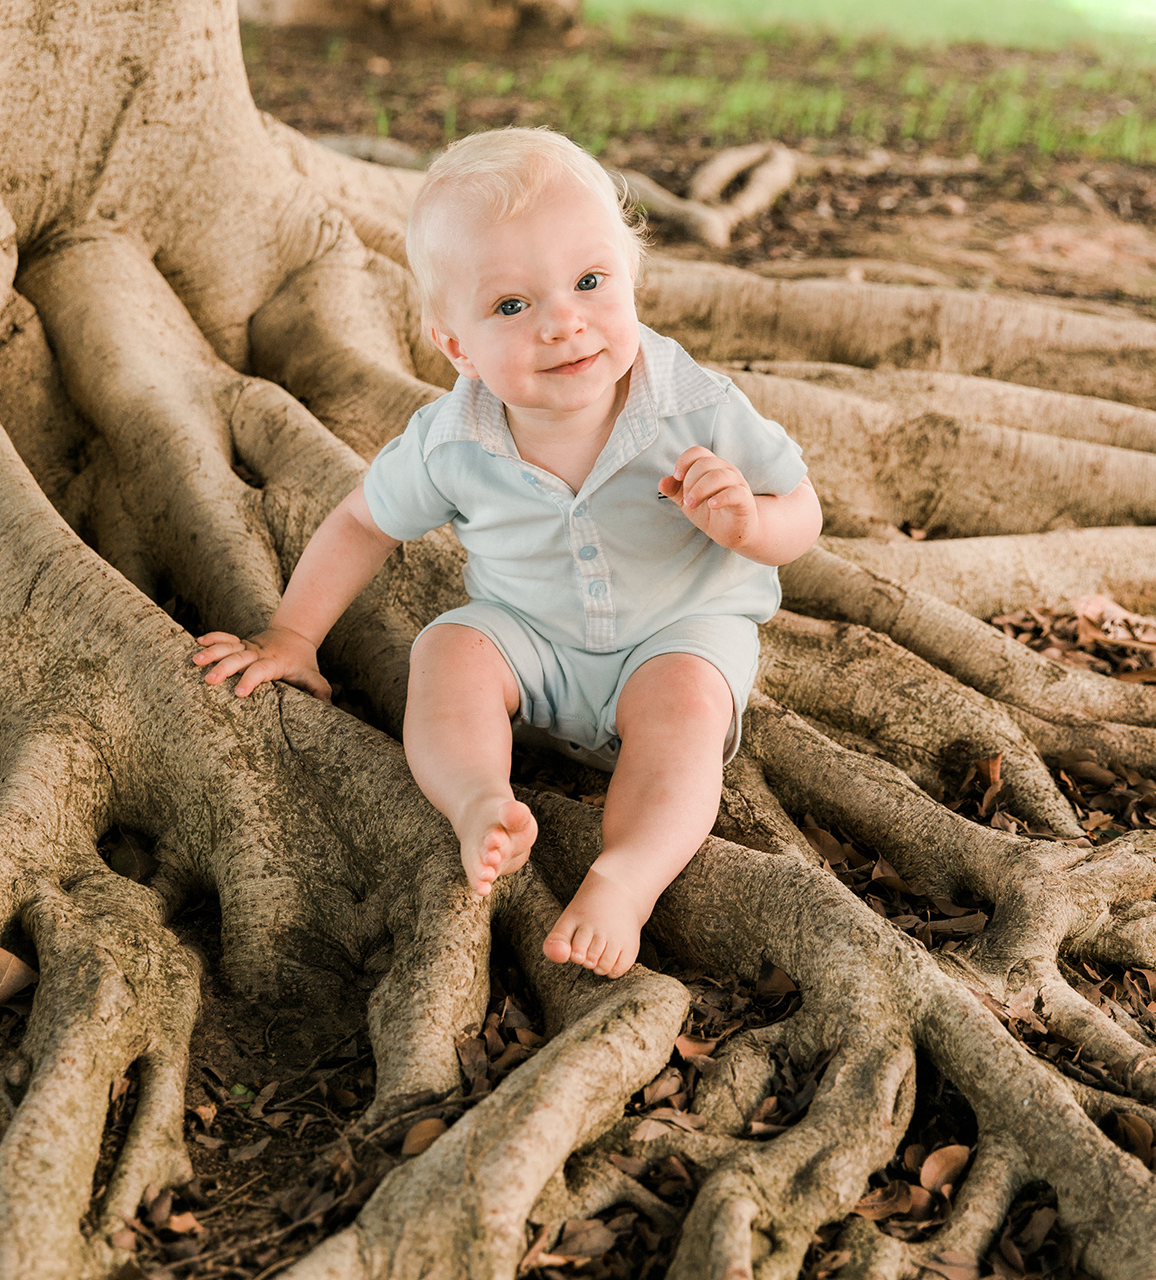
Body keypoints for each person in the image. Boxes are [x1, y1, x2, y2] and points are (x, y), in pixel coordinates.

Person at [193, 127, 821, 978]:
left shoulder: (695, 405)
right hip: (533, 643)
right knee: (446, 647)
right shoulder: (453, 440)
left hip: (679, 633)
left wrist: (748, 526)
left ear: (632, 280)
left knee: (688, 710)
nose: (564, 322)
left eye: (590, 282)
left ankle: (625, 877)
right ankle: (480, 801)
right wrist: (292, 637)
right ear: (456, 345)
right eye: (512, 306)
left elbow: (802, 509)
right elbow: (362, 522)